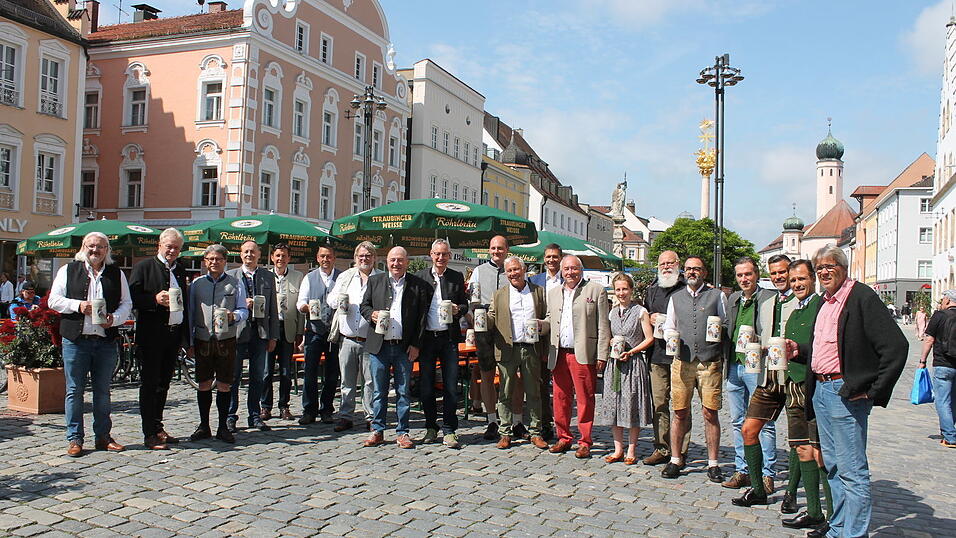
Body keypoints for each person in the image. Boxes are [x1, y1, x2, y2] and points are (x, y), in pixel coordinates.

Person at [806, 245, 907, 538]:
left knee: (853, 471)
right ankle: (838, 528)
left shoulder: (861, 296)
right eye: (819, 268)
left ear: (843, 267)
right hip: (821, 390)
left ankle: (854, 534)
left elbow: (896, 347)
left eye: (829, 266)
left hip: (844, 392)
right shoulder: (823, 302)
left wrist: (874, 390)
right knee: (834, 466)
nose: (824, 272)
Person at [732, 260, 832, 533]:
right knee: (748, 429)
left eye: (784, 273)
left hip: (797, 378)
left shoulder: (809, 304)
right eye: (774, 273)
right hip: (769, 375)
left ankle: (802, 501)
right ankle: (757, 489)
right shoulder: (767, 303)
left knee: (801, 443)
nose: (780, 277)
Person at [49, 232, 133, 457]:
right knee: (74, 391)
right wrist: (79, 306)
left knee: (103, 392)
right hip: (76, 340)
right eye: (91, 246)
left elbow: (127, 304)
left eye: (101, 247)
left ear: (107, 250)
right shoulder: (68, 270)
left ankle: (103, 437)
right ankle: (75, 438)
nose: (95, 251)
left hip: (105, 341)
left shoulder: (116, 274)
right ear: (84, 247)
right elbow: (53, 300)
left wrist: (114, 320)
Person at [660, 256, 727, 482]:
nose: (691, 272)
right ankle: (676, 459)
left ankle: (713, 463)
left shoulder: (717, 296)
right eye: (688, 269)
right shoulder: (675, 298)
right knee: (679, 411)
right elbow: (669, 325)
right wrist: (671, 337)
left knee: (710, 412)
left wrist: (718, 337)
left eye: (696, 269)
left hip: (709, 361)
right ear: (683, 272)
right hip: (682, 360)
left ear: (704, 272)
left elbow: (725, 323)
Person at [360, 246, 431, 449]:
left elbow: (421, 319)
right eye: (392, 260)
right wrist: (370, 314)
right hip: (379, 346)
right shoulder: (375, 281)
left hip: (403, 346)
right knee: (379, 391)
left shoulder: (417, 284)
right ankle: (378, 430)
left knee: (403, 391)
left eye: (400, 260)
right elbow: (364, 306)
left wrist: (416, 344)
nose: (396, 264)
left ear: (407, 262)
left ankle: (403, 432)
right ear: (387, 261)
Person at [129, 228, 189, 450]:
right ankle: (149, 433)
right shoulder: (144, 267)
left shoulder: (180, 270)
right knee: (150, 384)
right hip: (151, 335)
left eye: (176, 248)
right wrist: (153, 299)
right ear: (160, 245)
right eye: (169, 246)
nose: (172, 250)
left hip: (172, 334)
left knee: (164, 383)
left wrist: (185, 337)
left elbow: (186, 303)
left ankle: (158, 426)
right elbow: (131, 298)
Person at [546, 254, 610, 459]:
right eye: (566, 269)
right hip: (559, 352)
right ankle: (563, 437)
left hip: (583, 353)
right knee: (560, 398)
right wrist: (539, 326)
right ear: (561, 271)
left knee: (585, 398)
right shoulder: (554, 293)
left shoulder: (595, 290)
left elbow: (603, 325)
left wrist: (602, 354)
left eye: (574, 268)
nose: (570, 272)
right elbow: (550, 319)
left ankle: (585, 441)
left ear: (580, 270)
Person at [722, 257, 778, 491]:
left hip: (757, 366)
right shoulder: (733, 298)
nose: (744, 279)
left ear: (756, 275)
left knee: (764, 422)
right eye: (740, 275)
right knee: (737, 421)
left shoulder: (768, 298)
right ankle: (742, 469)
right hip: (735, 365)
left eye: (748, 274)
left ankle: (767, 473)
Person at [187, 244, 249, 444]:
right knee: (203, 383)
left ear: (225, 261)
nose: (214, 263)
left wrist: (234, 316)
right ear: (205, 261)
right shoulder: (196, 284)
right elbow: (189, 314)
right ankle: (204, 425)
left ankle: (223, 426)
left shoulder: (235, 283)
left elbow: (244, 310)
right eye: (210, 259)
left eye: (218, 259)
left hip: (226, 340)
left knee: (224, 384)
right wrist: (189, 342)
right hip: (203, 339)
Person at [487, 256, 550, 450]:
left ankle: (535, 432)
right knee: (505, 392)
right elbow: (491, 316)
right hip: (507, 347)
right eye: (509, 271)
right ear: (506, 274)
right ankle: (505, 433)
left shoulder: (538, 292)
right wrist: (480, 321)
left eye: (516, 269)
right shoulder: (499, 294)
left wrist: (544, 326)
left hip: (531, 348)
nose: (513, 273)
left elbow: (548, 316)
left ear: (524, 271)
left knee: (534, 392)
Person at [415, 239, 469, 448]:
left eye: (444, 254)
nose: (440, 257)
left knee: (450, 386)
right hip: (427, 338)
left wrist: (459, 310)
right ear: (431, 254)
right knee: (426, 386)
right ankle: (430, 426)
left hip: (449, 339)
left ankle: (449, 430)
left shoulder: (456, 277)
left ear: (449, 255)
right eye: (437, 254)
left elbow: (465, 304)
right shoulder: (420, 277)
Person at [469, 235, 523, 440]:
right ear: (489, 250)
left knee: (514, 376)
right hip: (486, 330)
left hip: (510, 329)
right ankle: (491, 419)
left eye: (500, 248)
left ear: (507, 249)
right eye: (493, 248)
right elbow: (472, 303)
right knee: (487, 375)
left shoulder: (514, 270)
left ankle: (516, 420)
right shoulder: (479, 271)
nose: (496, 251)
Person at [597, 273, 654, 465]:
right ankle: (617, 449)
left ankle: (631, 449)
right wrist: (612, 341)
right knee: (613, 405)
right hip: (615, 364)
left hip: (633, 363)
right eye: (618, 289)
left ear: (631, 290)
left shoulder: (640, 311)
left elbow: (649, 338)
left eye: (625, 289)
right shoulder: (612, 312)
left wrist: (632, 351)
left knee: (631, 405)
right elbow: (608, 334)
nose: (622, 293)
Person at [642, 250, 690, 466]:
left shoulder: (686, 288)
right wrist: (648, 317)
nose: (666, 267)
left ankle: (681, 450)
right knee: (660, 403)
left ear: (678, 264)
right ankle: (661, 447)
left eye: (670, 263)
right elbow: (643, 313)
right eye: (662, 263)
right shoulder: (653, 288)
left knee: (681, 406)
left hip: (681, 355)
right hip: (658, 355)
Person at [327, 242, 381, 432]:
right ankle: (345, 416)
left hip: (371, 338)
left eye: (368, 256)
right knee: (347, 381)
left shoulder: (381, 278)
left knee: (370, 381)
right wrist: (341, 301)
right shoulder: (345, 276)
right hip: (348, 337)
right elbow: (330, 299)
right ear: (355, 258)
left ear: (374, 258)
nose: (364, 259)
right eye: (361, 256)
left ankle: (371, 416)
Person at [227, 241, 280, 433]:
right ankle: (230, 415)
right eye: (246, 252)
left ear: (259, 255)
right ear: (241, 255)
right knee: (234, 376)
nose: (249, 255)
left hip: (260, 333)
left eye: (252, 252)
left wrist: (274, 336)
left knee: (258, 376)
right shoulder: (232, 276)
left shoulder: (267, 276)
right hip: (237, 332)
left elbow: (273, 308)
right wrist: (243, 303)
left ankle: (254, 415)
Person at [296, 244, 341, 425]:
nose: (325, 260)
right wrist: (305, 307)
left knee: (332, 373)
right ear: (317, 258)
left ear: (333, 258)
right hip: (313, 331)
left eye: (328, 256)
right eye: (322, 256)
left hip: (334, 331)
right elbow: (300, 302)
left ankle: (327, 409)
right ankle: (309, 410)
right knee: (310, 372)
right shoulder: (309, 277)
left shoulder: (341, 277)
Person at [261, 243, 304, 422]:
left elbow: (301, 307)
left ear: (289, 258)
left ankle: (284, 406)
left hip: (288, 329)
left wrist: (300, 332)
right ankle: (265, 406)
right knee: (266, 371)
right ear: (272, 257)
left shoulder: (297, 277)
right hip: (269, 330)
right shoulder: (264, 276)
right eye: (277, 255)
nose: (280, 259)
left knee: (286, 371)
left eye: (284, 256)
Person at [528, 243, 564, 440]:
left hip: (562, 336)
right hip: (540, 337)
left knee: (561, 384)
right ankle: (545, 423)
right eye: (548, 257)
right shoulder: (534, 280)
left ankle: (562, 425)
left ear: (561, 258)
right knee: (540, 383)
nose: (551, 260)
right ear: (544, 259)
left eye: (555, 257)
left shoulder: (568, 278)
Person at [919, 289, 956, 449]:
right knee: (953, 400)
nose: (941, 302)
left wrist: (922, 360)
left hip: (943, 363)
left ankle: (949, 436)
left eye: (942, 299)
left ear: (947, 300)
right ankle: (949, 431)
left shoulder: (940, 316)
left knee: (942, 400)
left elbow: (929, 339)